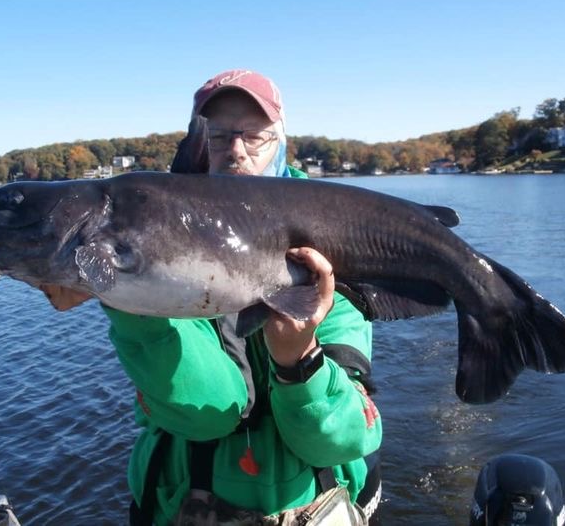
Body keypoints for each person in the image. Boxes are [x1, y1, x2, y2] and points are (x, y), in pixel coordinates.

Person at [40, 69, 382, 525]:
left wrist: (299, 361)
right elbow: (206, 413)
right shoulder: (158, 252)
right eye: (219, 137)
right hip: (180, 501)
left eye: (253, 136)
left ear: (281, 142)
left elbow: (344, 440)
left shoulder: (333, 250)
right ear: (198, 145)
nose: (236, 151)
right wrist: (122, 290)